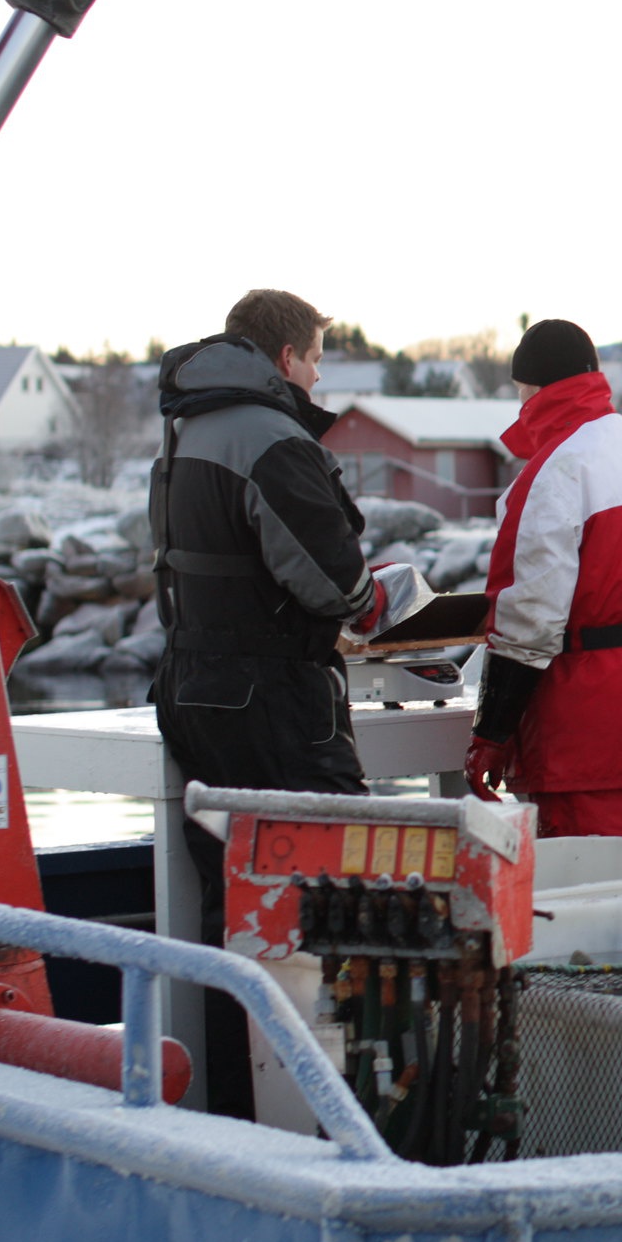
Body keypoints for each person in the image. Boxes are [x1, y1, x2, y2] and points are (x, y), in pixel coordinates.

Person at [148, 287, 387, 1115]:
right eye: (318, 356)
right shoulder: (274, 439)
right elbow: (335, 581)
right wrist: (370, 595)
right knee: (334, 892)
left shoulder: (186, 428)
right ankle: (333, 1117)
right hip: (276, 702)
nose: (320, 375)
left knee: (234, 907)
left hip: (191, 692)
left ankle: (234, 1107)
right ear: (286, 359)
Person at [463, 319, 622, 837]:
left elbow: (530, 618)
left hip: (577, 715)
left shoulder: (555, 469)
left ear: (530, 387)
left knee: (582, 876)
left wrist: (492, 731)